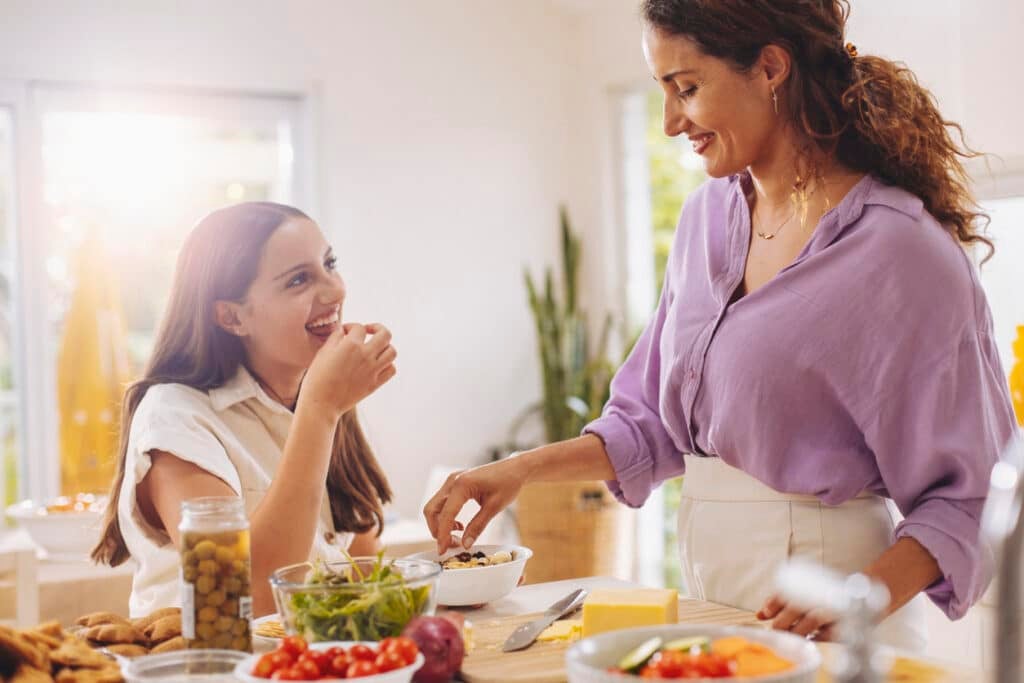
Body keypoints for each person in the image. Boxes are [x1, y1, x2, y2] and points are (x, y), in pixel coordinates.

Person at [423, 0, 1016, 651]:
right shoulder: (706, 220)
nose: (673, 121)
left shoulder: (900, 251)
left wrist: (860, 596)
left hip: (830, 607)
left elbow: (976, 495)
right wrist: (519, 470)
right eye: (663, 93)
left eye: (688, 88)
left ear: (769, 68)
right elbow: (649, 421)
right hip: (708, 595)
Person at [92, 202, 397, 617]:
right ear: (232, 317)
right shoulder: (175, 418)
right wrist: (322, 410)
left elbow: (364, 574)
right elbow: (239, 597)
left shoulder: (316, 393)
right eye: (299, 280)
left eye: (329, 264)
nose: (334, 290)